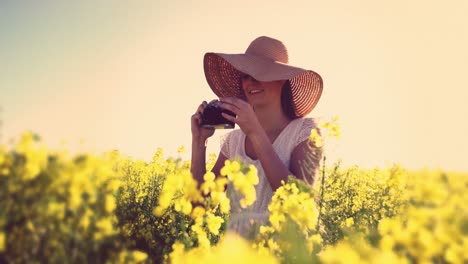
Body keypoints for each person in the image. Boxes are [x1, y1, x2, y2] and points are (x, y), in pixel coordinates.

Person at [191, 36, 323, 238]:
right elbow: (198, 209)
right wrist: (199, 143)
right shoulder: (233, 142)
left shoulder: (305, 133)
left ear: (282, 79)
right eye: (245, 75)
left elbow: (299, 207)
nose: (249, 82)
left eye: (259, 74)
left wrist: (255, 132)